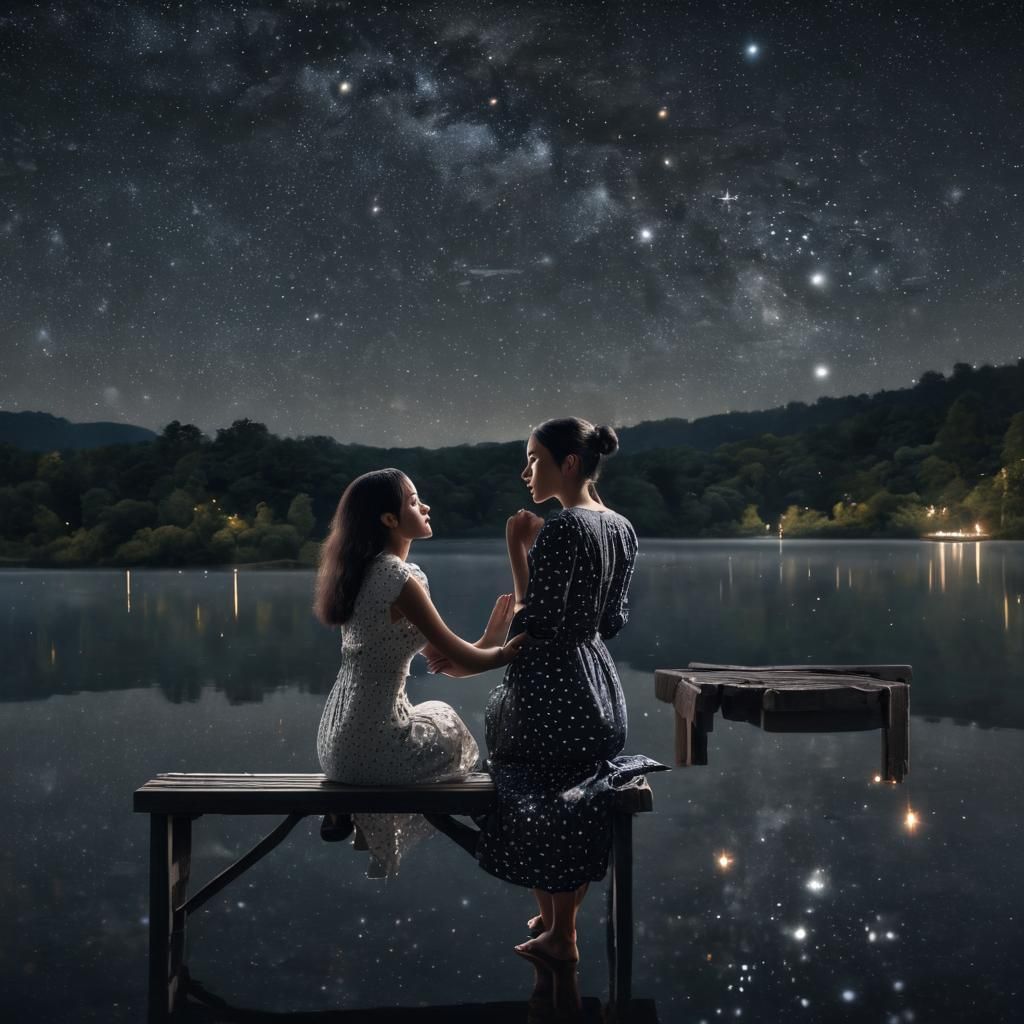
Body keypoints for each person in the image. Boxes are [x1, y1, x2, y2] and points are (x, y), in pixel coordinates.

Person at [474, 418, 667, 966]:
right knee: (573, 796)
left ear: (571, 463)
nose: (526, 471)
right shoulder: (622, 528)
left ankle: (562, 935)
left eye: (535, 458)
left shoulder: (562, 530)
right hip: (599, 686)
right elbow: (611, 622)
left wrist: (518, 551)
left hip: (553, 689)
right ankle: (560, 924)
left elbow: (535, 624)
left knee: (530, 793)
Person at [313, 468, 524, 878]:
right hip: (371, 746)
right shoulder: (399, 578)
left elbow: (447, 662)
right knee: (450, 726)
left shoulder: (360, 573)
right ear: (389, 519)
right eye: (413, 501)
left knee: (431, 711)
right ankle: (491, 832)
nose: (425, 507)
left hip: (335, 745)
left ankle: (355, 814)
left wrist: (489, 640)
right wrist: (509, 651)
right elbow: (461, 658)